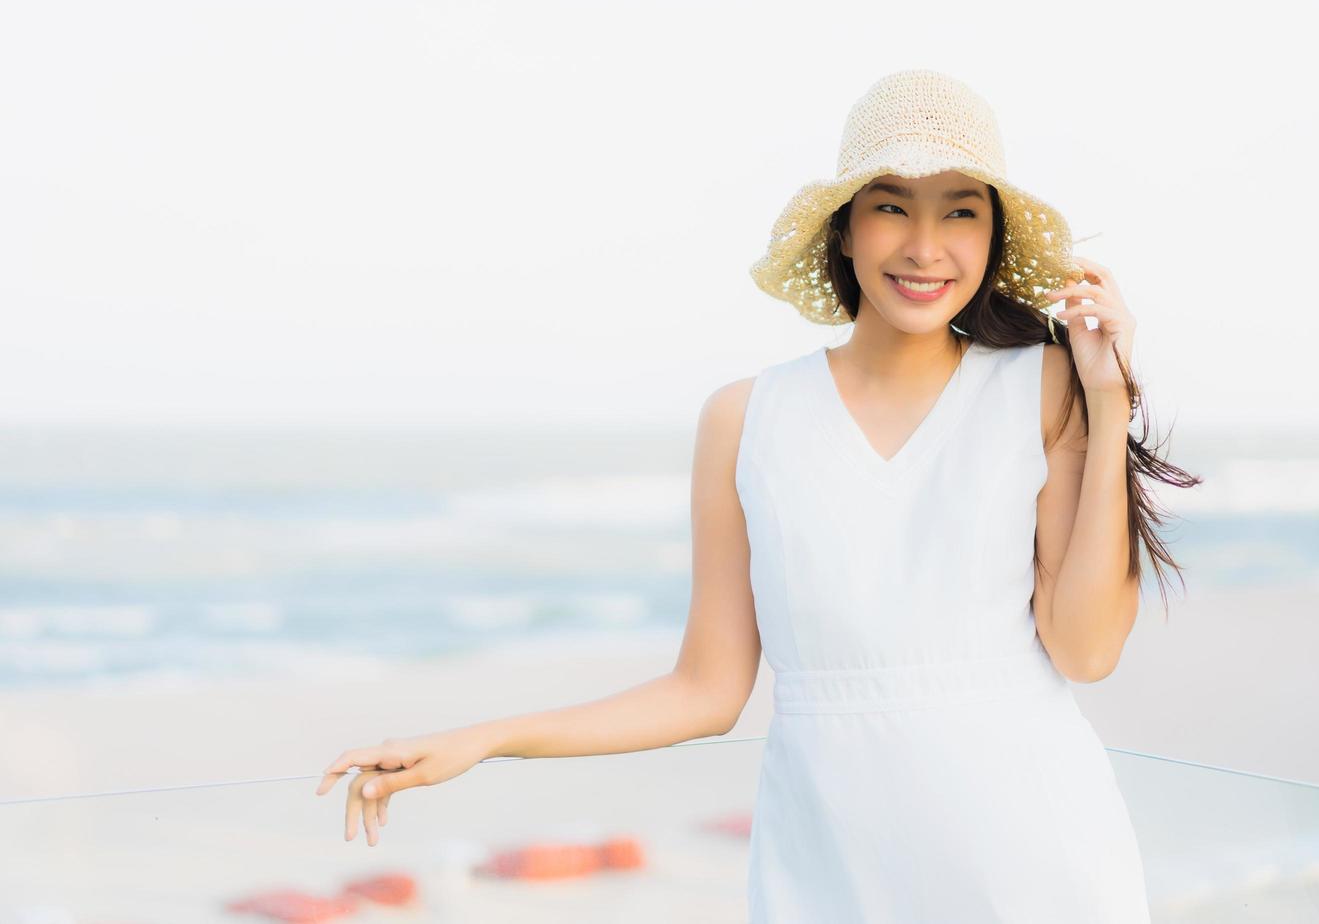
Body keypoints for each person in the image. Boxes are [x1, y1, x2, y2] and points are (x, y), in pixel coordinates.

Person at [316, 68, 1199, 922]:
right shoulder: (746, 419)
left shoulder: (1041, 388)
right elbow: (705, 690)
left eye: (959, 212)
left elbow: (1084, 652)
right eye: (891, 204)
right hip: (826, 870)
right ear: (845, 232)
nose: (925, 246)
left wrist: (1109, 398)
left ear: (991, 240)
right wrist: (483, 739)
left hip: (1032, 859)